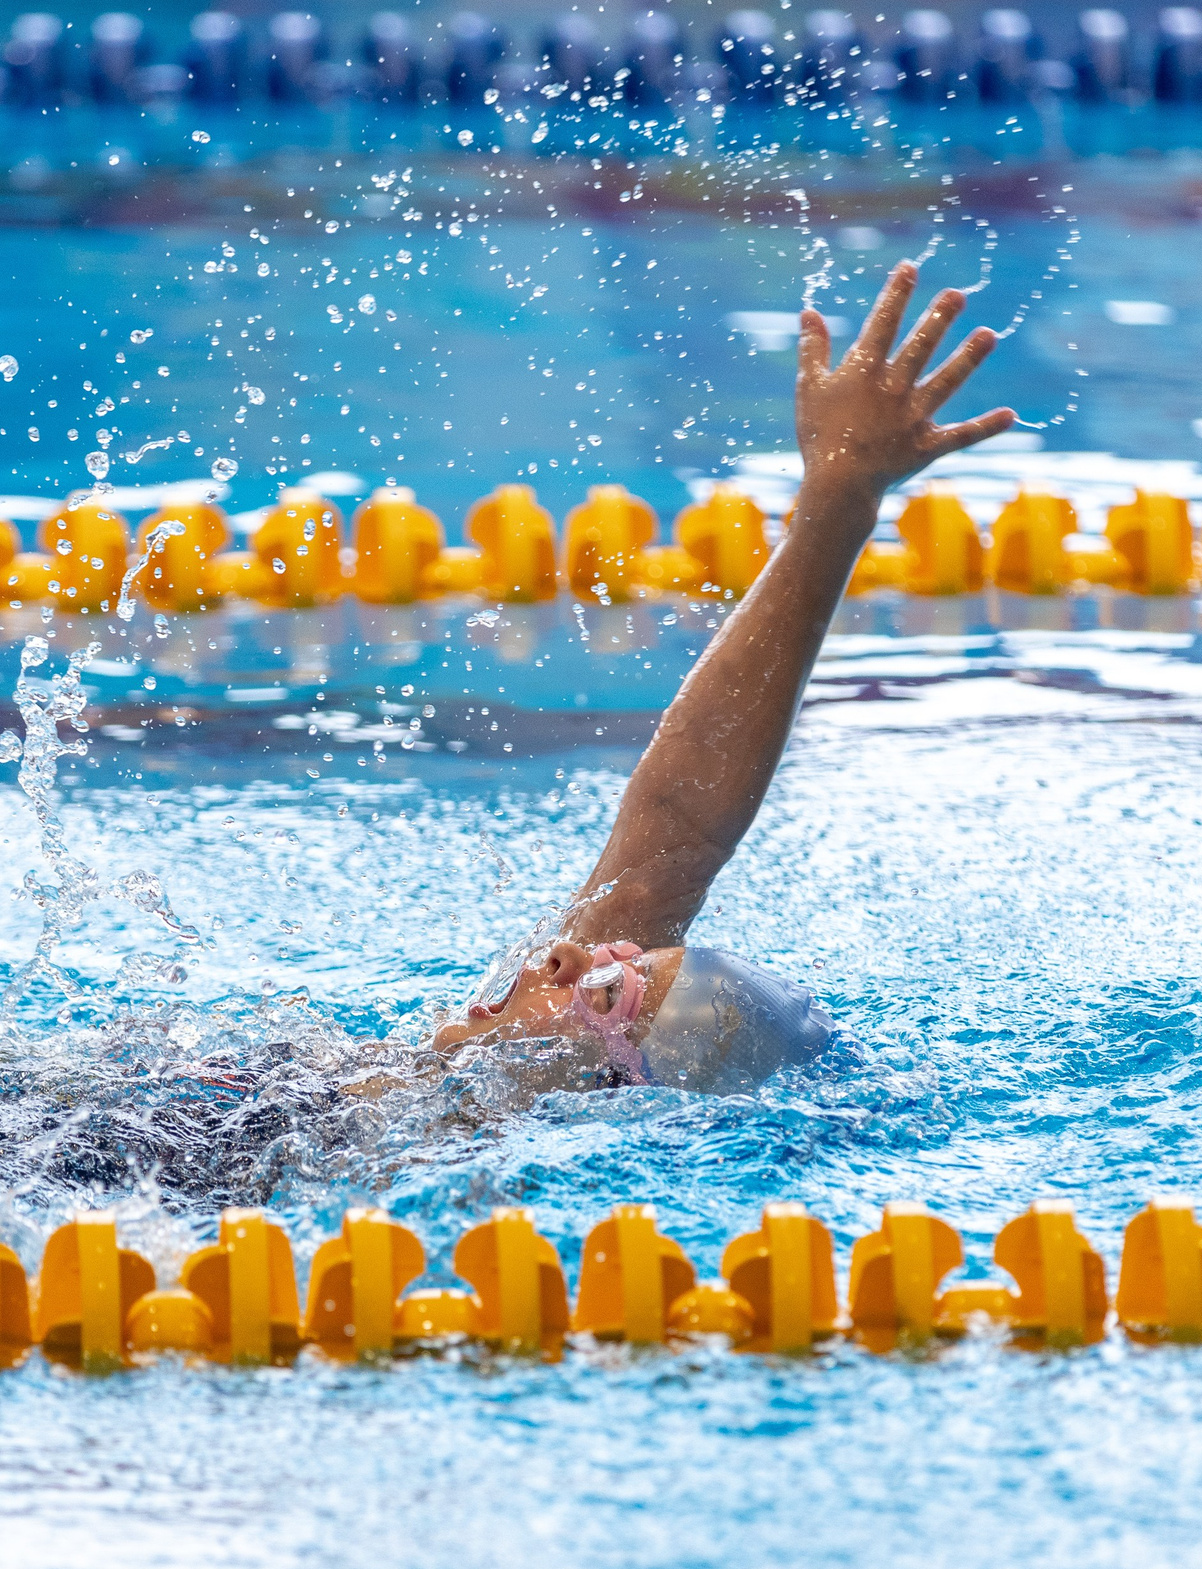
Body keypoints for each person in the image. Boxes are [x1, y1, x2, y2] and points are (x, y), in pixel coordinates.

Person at [431, 260, 1017, 1094]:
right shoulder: (532, 1063)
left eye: (608, 990)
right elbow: (678, 833)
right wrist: (840, 496)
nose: (565, 956)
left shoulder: (400, 1143)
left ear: (613, 1085)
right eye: (617, 955)